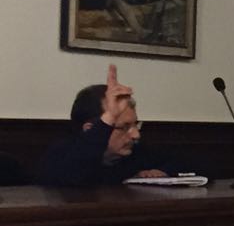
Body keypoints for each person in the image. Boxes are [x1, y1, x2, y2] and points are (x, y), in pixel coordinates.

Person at [38, 63, 173, 186]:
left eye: (135, 125)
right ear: (90, 129)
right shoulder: (61, 155)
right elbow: (72, 178)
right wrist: (109, 118)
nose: (136, 135)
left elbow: (177, 162)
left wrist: (159, 172)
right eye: (124, 127)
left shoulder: (135, 152)